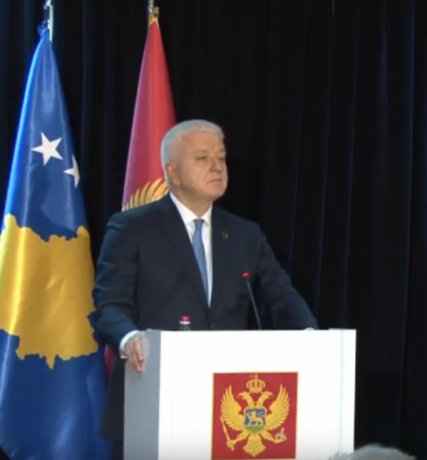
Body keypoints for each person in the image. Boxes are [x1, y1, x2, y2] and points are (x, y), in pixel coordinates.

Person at [92, 119, 317, 457]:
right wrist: (129, 337)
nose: (217, 166)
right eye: (202, 158)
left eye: (221, 157)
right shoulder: (132, 229)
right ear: (173, 172)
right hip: (153, 401)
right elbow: (109, 305)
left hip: (228, 407)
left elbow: (281, 297)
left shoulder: (245, 235)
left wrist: (311, 336)